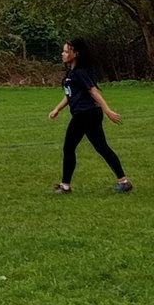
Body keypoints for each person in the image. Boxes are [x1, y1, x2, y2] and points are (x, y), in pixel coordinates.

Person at [49, 38, 133, 194]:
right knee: (102, 147)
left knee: (69, 148)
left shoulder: (80, 72)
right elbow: (70, 95)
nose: (63, 53)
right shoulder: (72, 73)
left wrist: (108, 110)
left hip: (85, 114)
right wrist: (57, 109)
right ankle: (124, 181)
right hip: (88, 114)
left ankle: (65, 186)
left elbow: (93, 91)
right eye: (64, 50)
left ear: (76, 54)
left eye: (67, 51)